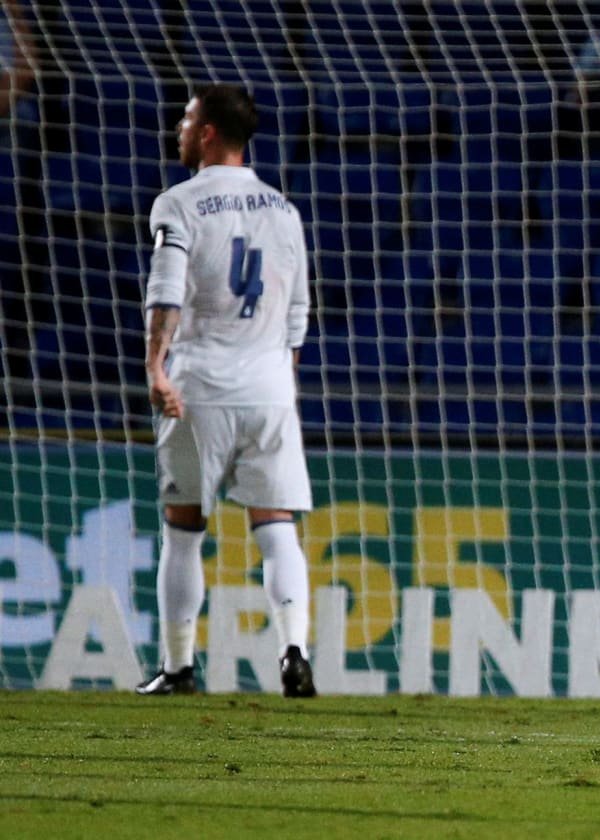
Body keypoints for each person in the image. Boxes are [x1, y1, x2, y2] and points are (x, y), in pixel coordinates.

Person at [136, 83, 317, 698]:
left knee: (183, 528)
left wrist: (156, 368)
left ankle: (179, 668)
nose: (180, 129)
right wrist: (279, 383)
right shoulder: (285, 211)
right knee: (276, 526)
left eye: (187, 119)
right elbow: (297, 316)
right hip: (269, 389)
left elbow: (166, 291)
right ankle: (294, 651)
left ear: (208, 131)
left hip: (200, 386)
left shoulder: (178, 203)